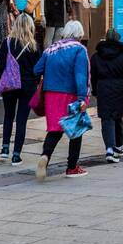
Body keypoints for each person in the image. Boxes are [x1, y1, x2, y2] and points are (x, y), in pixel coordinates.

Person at [33, 19, 90, 181]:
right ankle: (72, 167)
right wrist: (81, 99)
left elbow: (36, 69)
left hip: (51, 95)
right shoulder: (79, 50)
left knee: (54, 130)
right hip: (71, 95)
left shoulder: (51, 49)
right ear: (79, 34)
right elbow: (81, 75)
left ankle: (45, 156)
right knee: (75, 131)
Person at [0, 13, 41, 164]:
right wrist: (34, 82)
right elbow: (38, 69)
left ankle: (5, 148)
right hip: (28, 86)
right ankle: (16, 155)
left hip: (9, 85)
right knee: (21, 121)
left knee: (8, 116)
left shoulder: (7, 43)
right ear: (30, 26)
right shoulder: (33, 46)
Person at [91, 27, 123, 163]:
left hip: (103, 89)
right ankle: (118, 146)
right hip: (120, 89)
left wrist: (95, 90)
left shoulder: (96, 56)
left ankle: (109, 149)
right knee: (118, 117)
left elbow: (93, 76)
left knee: (106, 119)